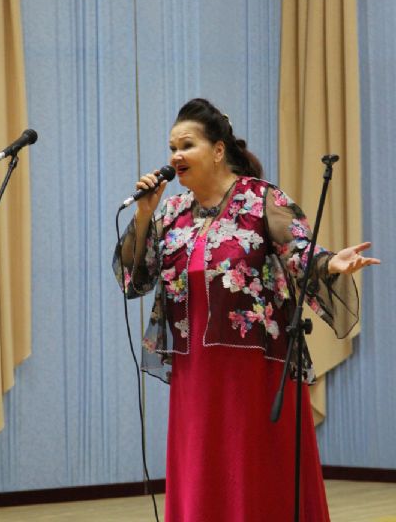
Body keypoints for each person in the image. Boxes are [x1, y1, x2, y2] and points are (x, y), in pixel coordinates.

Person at [112, 98, 380, 522]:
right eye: (172, 148)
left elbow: (300, 252)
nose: (176, 156)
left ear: (218, 150)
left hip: (256, 370)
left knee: (254, 474)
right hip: (195, 371)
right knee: (204, 472)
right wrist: (144, 214)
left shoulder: (261, 200)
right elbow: (136, 278)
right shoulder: (172, 212)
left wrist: (331, 263)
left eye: (187, 145)